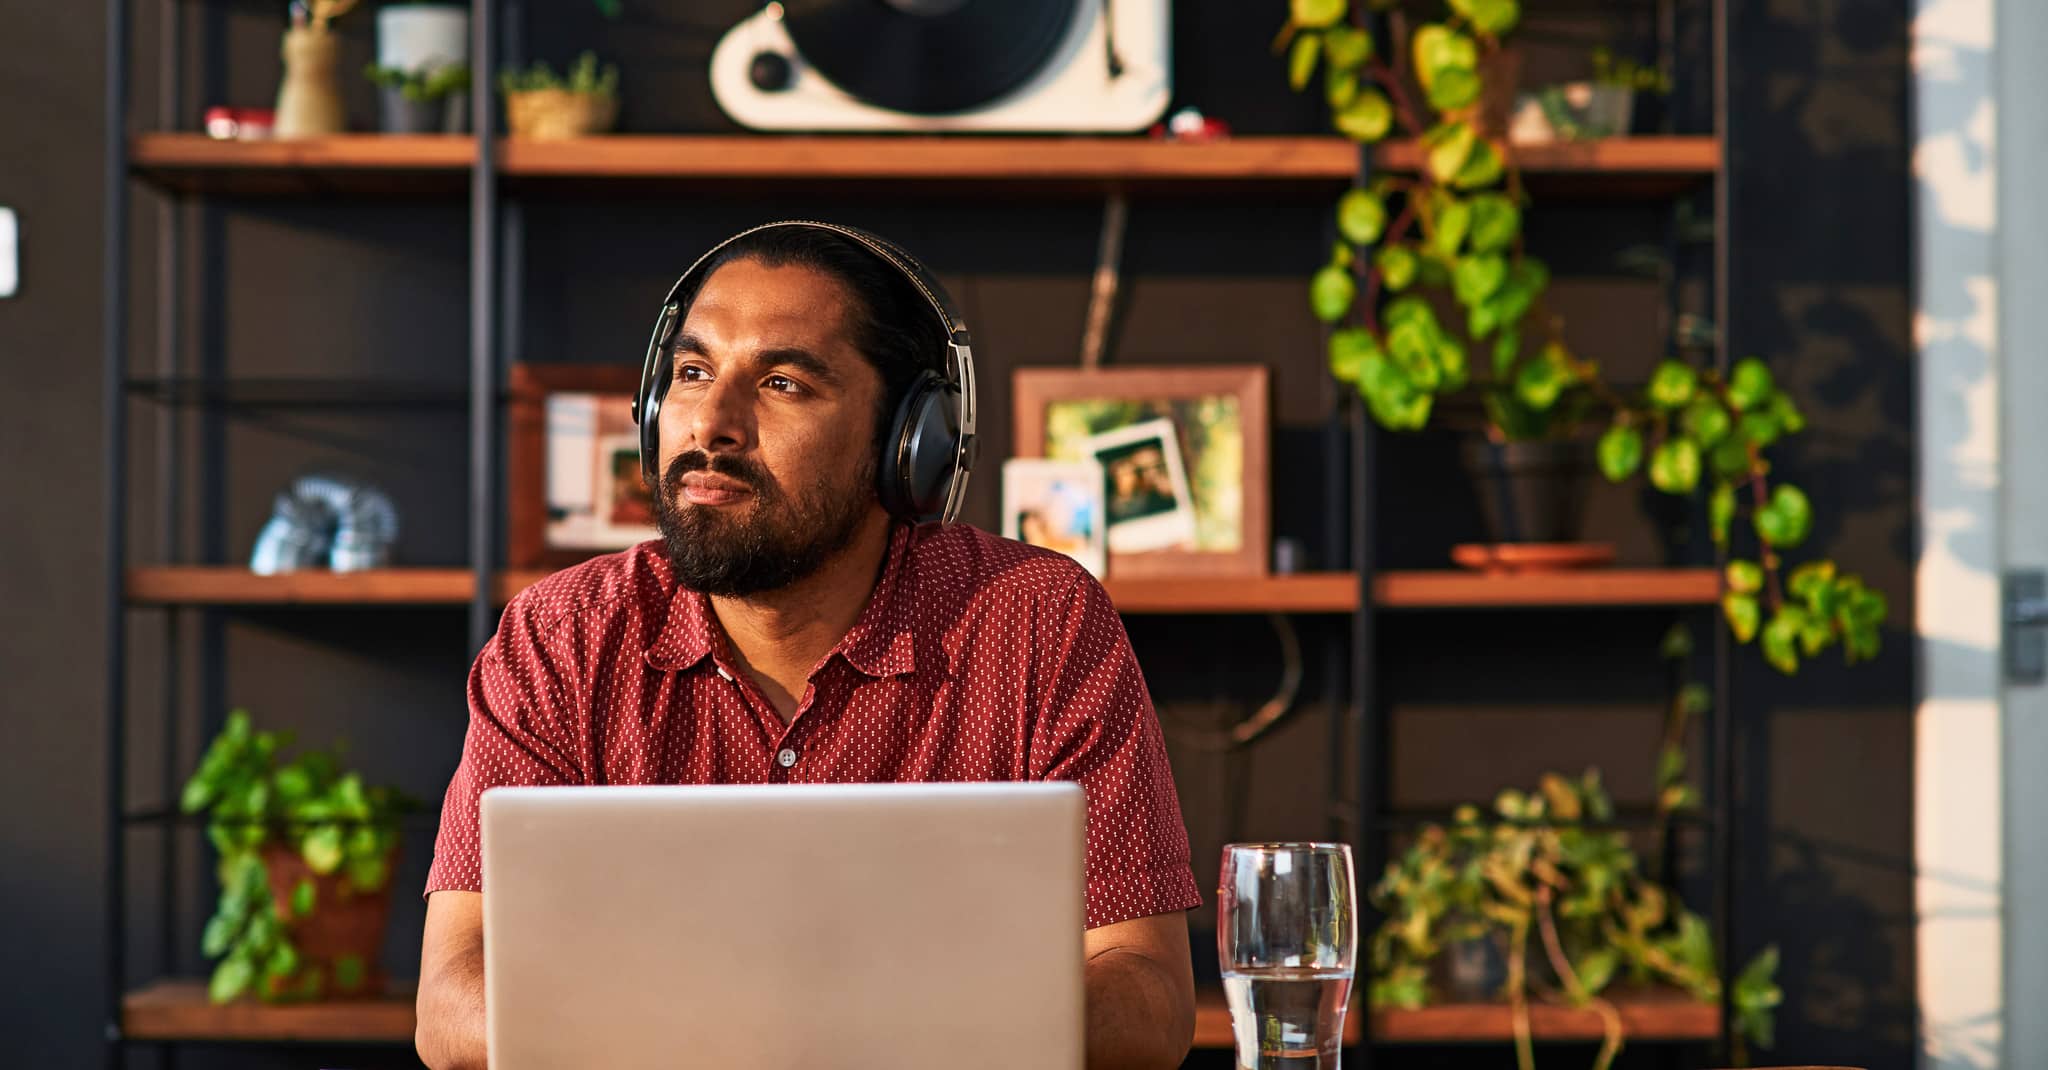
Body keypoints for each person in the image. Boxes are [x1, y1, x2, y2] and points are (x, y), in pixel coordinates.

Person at [414, 223, 1202, 1070]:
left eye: (783, 383)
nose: (711, 424)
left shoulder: (1036, 623)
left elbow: (1149, 1000)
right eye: (691, 373)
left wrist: (783, 1023)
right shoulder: (562, 636)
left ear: (908, 443)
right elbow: (452, 1004)